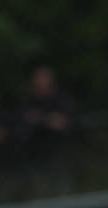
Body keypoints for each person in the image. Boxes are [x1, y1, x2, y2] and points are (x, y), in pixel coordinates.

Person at [17, 66, 78, 195]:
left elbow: (66, 121)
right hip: (37, 157)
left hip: (60, 155)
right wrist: (47, 120)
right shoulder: (28, 102)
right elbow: (25, 121)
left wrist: (40, 119)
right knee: (41, 191)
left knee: (63, 190)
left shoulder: (61, 99)